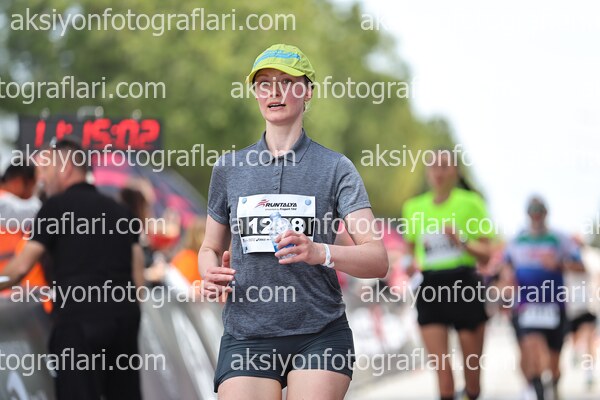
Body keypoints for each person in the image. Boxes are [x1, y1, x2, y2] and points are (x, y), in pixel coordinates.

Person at [198, 43, 388, 400]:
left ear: (307, 92)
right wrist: (209, 273)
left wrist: (320, 251)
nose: (275, 92)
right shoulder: (229, 168)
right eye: (264, 84)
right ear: (256, 93)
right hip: (246, 333)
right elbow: (209, 247)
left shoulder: (336, 168)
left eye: (287, 82)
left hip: (320, 332)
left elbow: (377, 259)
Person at [0, 139, 145, 400]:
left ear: (65, 169)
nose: (41, 178)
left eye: (46, 169)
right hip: (124, 321)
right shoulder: (121, 212)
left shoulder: (54, 208)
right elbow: (138, 279)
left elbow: (19, 269)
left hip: (78, 323)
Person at [402, 150, 493, 400]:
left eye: (444, 166)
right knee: (443, 375)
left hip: (464, 284)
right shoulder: (413, 207)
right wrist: (408, 265)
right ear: (427, 173)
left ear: (455, 171)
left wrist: (461, 240)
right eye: (433, 167)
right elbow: (408, 251)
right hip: (430, 287)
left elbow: (486, 255)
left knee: (472, 378)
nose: (438, 172)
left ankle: (471, 393)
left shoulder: (471, 202)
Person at [502, 197, 584, 400]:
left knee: (553, 362)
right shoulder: (517, 240)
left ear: (546, 213)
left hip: (555, 307)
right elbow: (504, 268)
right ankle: (538, 392)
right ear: (527, 213)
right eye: (532, 210)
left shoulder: (559, 239)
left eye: (540, 210)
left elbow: (581, 266)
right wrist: (507, 282)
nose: (536, 214)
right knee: (533, 350)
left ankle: (554, 385)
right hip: (527, 306)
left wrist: (559, 264)